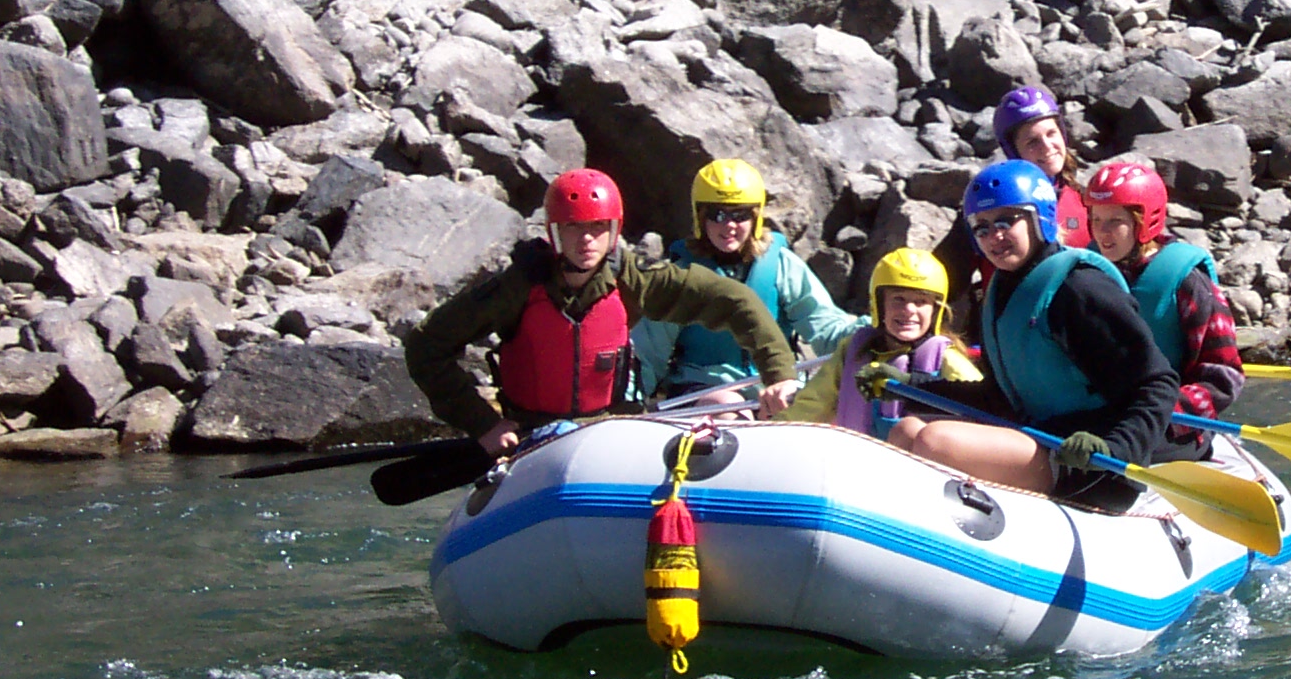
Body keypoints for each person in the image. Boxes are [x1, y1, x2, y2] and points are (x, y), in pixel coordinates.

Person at [402, 168, 801, 458]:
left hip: (609, 435)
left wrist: (778, 373)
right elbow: (425, 346)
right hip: (532, 435)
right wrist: (483, 423)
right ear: (555, 233)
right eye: (575, 229)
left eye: (598, 227)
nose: (587, 240)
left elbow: (735, 301)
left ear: (614, 230)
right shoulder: (516, 288)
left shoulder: (633, 283)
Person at [876, 159, 1193, 510]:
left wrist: (1116, 449)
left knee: (936, 440)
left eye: (1005, 221)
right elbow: (998, 397)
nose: (993, 237)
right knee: (905, 431)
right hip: (1035, 438)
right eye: (981, 228)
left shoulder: (1079, 288)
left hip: (1092, 462)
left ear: (1038, 217)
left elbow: (1157, 384)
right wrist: (910, 386)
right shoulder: (999, 297)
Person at [631, 159, 860, 407]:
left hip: (774, 386)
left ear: (755, 217)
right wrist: (626, 402)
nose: (728, 225)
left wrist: (869, 334)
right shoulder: (680, 274)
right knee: (727, 407)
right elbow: (648, 353)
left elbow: (826, 328)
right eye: (717, 214)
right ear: (701, 217)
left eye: (739, 214)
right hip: (702, 389)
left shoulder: (782, 265)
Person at [1081, 159, 1246, 424]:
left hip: (1166, 422)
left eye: (1115, 221)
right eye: (1096, 218)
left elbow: (1224, 377)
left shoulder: (1189, 283)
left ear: (1144, 223)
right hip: (1099, 413)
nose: (1102, 232)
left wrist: (1155, 416)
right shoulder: (1085, 270)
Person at [935, 86, 1089, 333]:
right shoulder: (987, 205)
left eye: (1052, 133)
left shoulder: (1083, 200)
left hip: (1075, 331)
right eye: (1032, 141)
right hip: (1012, 334)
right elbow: (943, 278)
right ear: (1013, 150)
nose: (1047, 146)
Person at [782, 248, 983, 436]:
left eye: (921, 301)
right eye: (899, 299)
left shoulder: (947, 358)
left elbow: (981, 410)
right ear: (879, 305)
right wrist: (775, 430)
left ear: (936, 311)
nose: (909, 309)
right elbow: (811, 405)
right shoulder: (853, 350)